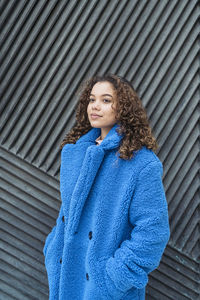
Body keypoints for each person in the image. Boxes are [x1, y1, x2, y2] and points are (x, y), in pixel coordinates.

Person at [43, 73, 170, 300]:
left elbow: (153, 232)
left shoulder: (141, 164)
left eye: (106, 100)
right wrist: (54, 250)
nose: (95, 106)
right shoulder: (77, 153)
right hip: (65, 277)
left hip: (104, 290)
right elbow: (68, 214)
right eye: (92, 99)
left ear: (124, 107)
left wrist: (111, 280)